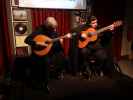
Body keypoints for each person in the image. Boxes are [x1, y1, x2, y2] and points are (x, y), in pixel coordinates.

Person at [24, 17, 66, 93]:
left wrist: (60, 41)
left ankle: (59, 72)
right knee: (46, 62)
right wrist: (36, 43)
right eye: (52, 28)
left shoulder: (53, 30)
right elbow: (27, 40)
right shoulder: (39, 30)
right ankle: (45, 83)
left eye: (54, 28)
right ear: (47, 27)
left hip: (51, 51)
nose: (54, 30)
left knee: (62, 55)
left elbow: (55, 40)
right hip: (40, 53)